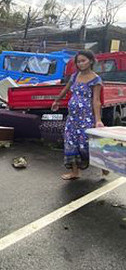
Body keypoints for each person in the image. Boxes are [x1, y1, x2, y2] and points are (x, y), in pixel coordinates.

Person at [51, 50, 105, 180]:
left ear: (91, 61)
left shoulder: (96, 79)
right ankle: (75, 172)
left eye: (83, 61)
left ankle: (104, 166)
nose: (80, 64)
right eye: (78, 61)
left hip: (86, 118)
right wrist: (57, 100)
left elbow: (96, 101)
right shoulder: (75, 76)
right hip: (72, 118)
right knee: (70, 143)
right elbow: (65, 89)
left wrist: (98, 120)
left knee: (86, 145)